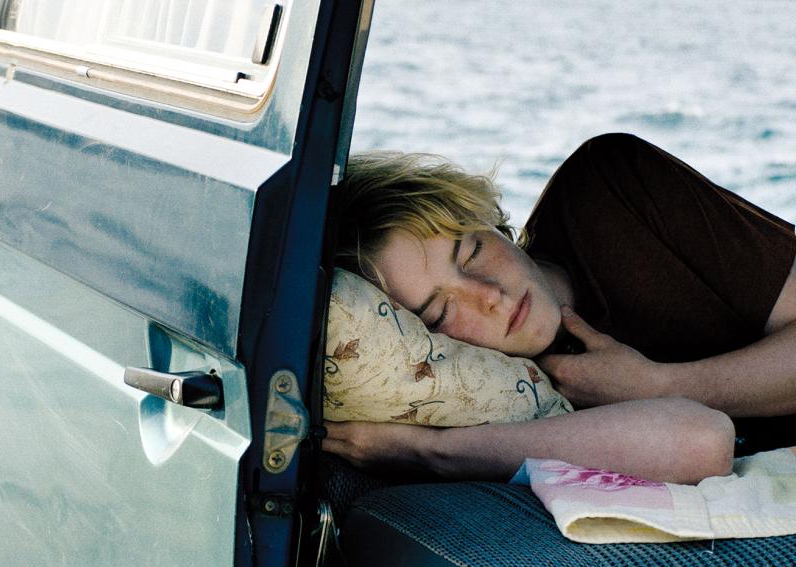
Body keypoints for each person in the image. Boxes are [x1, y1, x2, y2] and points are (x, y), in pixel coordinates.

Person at [323, 133, 795, 486]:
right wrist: (429, 450)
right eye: (440, 313)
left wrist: (655, 384)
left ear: (487, 219)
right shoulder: (495, 391)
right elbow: (698, 440)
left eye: (471, 252)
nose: (487, 294)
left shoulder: (612, 190)